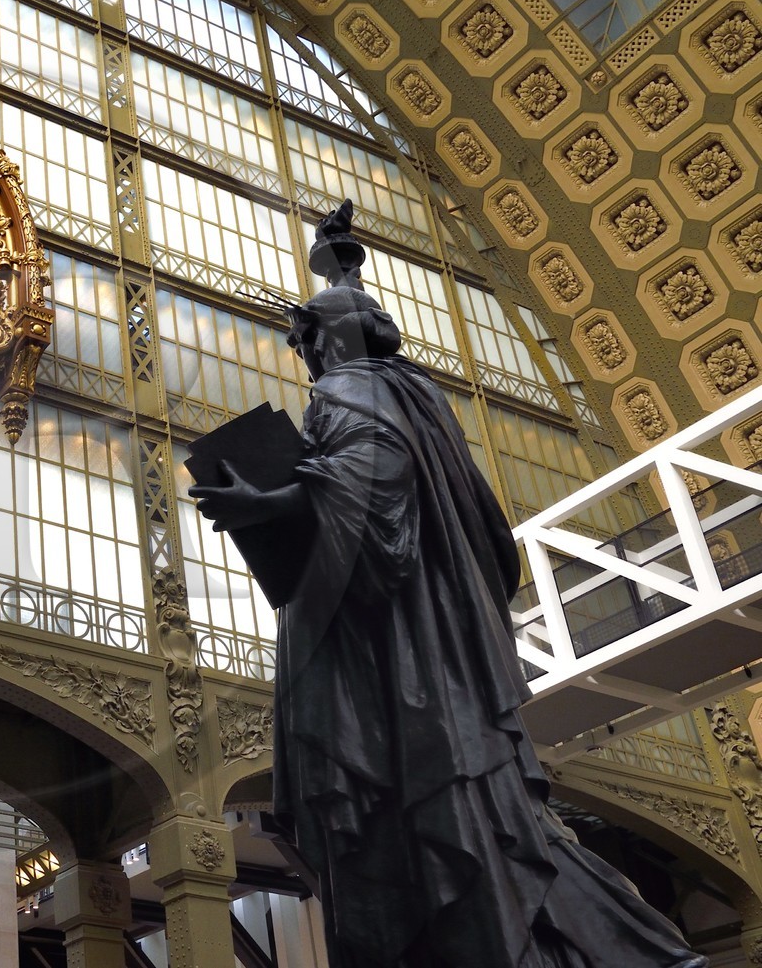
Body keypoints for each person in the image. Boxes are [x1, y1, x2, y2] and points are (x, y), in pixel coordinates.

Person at [188, 204, 706, 968]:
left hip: (401, 664)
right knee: (490, 825)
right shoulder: (416, 393)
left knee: (448, 826)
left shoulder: (351, 390)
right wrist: (340, 268)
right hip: (435, 648)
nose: (302, 356)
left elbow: (371, 482)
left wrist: (269, 504)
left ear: (328, 339)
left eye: (303, 340)